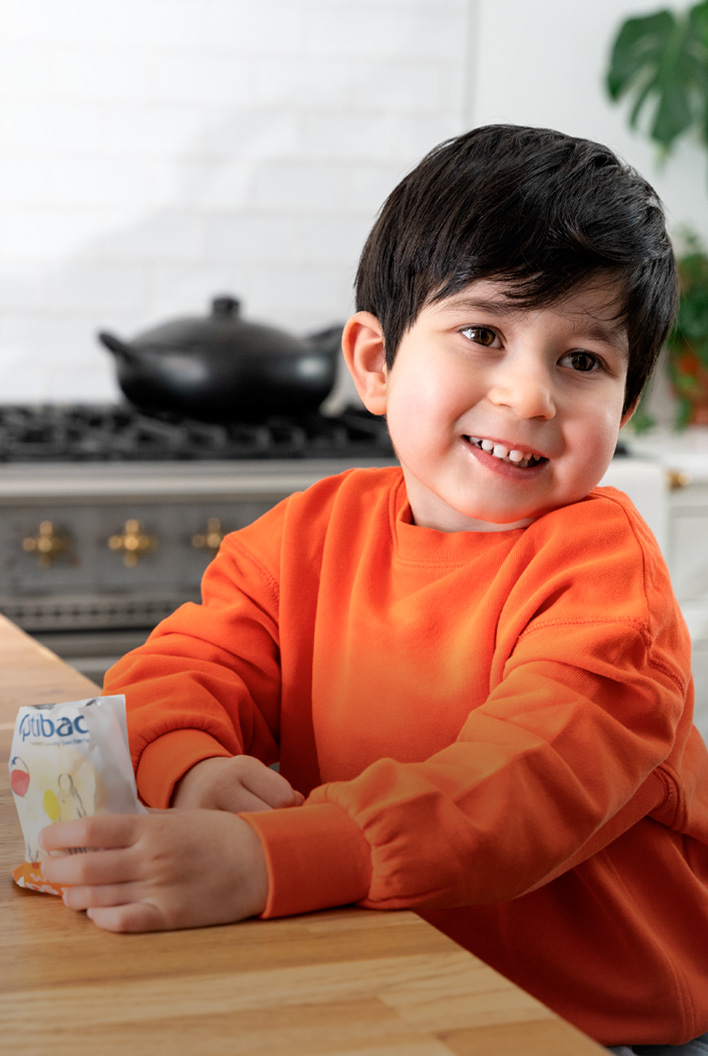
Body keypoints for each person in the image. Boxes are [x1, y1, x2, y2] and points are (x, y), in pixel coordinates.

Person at [40, 125, 708, 1053]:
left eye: (582, 361)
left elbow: (520, 787)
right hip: (394, 963)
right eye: (483, 333)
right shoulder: (307, 534)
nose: (529, 397)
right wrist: (187, 760)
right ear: (376, 363)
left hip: (601, 1025)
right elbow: (181, 664)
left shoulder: (606, 577)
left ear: (625, 408)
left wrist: (267, 857)